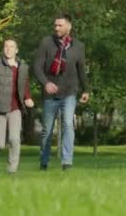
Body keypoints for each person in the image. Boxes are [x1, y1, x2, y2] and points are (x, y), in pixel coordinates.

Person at [34, 14, 90, 171]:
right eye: (55, 25)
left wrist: (86, 89)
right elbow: (37, 67)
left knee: (67, 125)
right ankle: (43, 162)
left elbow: (81, 70)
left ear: (68, 27)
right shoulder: (46, 42)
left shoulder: (78, 46)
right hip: (50, 94)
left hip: (69, 92)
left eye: (60, 25)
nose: (56, 28)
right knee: (47, 130)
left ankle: (67, 162)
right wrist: (46, 83)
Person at [0, 39, 34, 174]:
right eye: (6, 47)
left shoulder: (23, 67)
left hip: (15, 109)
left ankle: (12, 171)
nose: (8, 49)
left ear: (16, 50)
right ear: (3, 49)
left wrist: (28, 98)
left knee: (15, 140)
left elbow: (24, 85)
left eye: (11, 46)